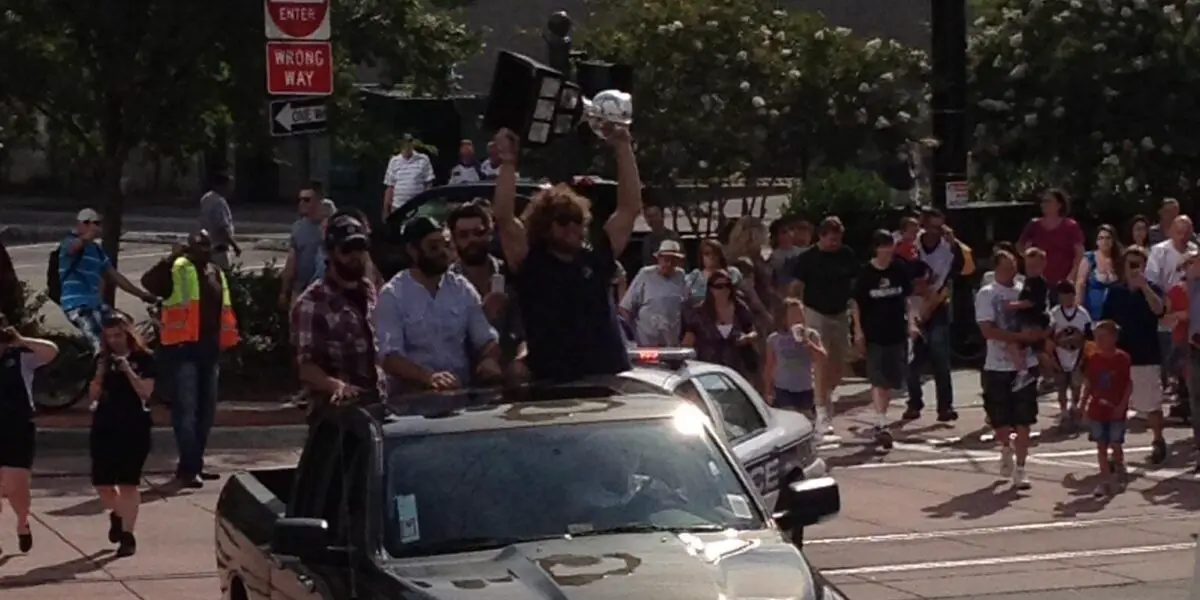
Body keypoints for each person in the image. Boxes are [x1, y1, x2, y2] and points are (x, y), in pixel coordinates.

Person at [493, 124, 641, 382]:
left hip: (607, 377)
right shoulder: (532, 261)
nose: (572, 226)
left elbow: (629, 209)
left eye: (576, 219)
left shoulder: (596, 256)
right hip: (552, 385)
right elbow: (504, 218)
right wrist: (508, 162)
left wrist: (623, 147)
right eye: (562, 220)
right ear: (544, 226)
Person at [141, 231, 240, 488]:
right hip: (182, 350)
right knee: (186, 410)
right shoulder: (178, 268)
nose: (203, 251)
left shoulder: (215, 272)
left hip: (209, 350)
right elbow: (149, 282)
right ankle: (188, 469)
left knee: (206, 412)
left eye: (206, 246)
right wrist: (170, 257)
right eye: (198, 246)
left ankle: (194, 463)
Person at [374, 217, 502, 392]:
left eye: (446, 245)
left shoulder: (461, 288)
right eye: (433, 247)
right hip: (412, 402)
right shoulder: (393, 294)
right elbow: (389, 357)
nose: (443, 252)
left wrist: (489, 359)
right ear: (412, 250)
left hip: (460, 393)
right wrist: (428, 377)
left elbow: (486, 338)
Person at [291, 212, 386, 424]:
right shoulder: (312, 302)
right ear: (330, 253)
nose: (355, 256)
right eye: (347, 250)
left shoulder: (369, 290)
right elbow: (307, 368)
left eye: (360, 248)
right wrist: (337, 387)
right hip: (335, 416)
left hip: (376, 406)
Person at [87, 313, 154, 557]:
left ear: (128, 333)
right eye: (109, 336)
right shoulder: (101, 359)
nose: (114, 340)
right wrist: (100, 373)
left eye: (118, 335)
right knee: (103, 484)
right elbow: (92, 396)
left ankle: (128, 535)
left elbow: (145, 393)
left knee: (128, 483)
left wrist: (128, 370)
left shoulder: (144, 359)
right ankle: (117, 514)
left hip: (134, 425)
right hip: (105, 424)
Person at [976, 250, 1042, 490]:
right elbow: (987, 330)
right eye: (1006, 267)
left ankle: (1021, 468)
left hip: (1026, 364)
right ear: (996, 269)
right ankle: (1006, 448)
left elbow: (1039, 313)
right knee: (1000, 421)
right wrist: (1016, 337)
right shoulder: (987, 294)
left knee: (1024, 420)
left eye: (1014, 265)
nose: (1011, 271)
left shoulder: (1025, 288)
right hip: (997, 365)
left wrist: (1034, 336)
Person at [789, 216, 859, 439]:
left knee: (838, 366)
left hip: (839, 313)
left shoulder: (846, 254)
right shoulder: (807, 258)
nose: (834, 243)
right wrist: (795, 316)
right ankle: (821, 413)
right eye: (831, 239)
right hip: (815, 312)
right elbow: (795, 287)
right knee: (821, 362)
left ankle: (824, 396)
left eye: (838, 239)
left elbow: (855, 283)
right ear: (821, 236)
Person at [1100, 245, 1168, 464]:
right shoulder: (1115, 291)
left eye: (1138, 264)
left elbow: (1159, 310)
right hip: (1118, 355)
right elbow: (1105, 321)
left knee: (1151, 403)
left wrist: (1144, 287)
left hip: (1145, 354)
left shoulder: (1152, 288)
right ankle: (1115, 450)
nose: (1134, 268)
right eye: (1130, 264)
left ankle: (1158, 441)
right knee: (1116, 404)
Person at [447, 202, 528, 380]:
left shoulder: (509, 273)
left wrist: (521, 359)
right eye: (463, 235)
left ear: (490, 234)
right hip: (464, 379)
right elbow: (446, 342)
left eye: (479, 232)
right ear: (453, 240)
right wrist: (482, 315)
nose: (472, 240)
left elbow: (526, 330)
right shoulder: (447, 284)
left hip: (510, 378)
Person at [58, 209, 158, 352]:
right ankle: (99, 371)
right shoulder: (69, 241)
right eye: (93, 223)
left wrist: (142, 295)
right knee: (99, 343)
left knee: (125, 325)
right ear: (82, 224)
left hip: (96, 304)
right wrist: (88, 234)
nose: (97, 228)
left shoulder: (96, 250)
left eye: (98, 224)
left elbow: (115, 276)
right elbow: (73, 249)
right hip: (77, 305)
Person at [851, 230, 916, 450]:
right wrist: (858, 331)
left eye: (890, 247)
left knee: (890, 381)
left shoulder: (899, 269)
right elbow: (857, 303)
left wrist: (911, 323)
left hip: (896, 331)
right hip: (874, 333)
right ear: (876, 248)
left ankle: (882, 416)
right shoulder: (865, 274)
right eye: (884, 247)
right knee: (878, 379)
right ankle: (881, 421)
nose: (888, 251)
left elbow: (907, 299)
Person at [0, 321, 59, 553]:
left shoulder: (21, 357)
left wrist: (21, 340)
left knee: (15, 485)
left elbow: (51, 351)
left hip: (17, 426)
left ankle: (23, 522)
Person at [905, 208, 963, 421]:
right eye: (932, 226)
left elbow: (956, 272)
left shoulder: (949, 247)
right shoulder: (912, 245)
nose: (936, 231)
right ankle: (913, 402)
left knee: (940, 356)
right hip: (914, 305)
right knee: (913, 360)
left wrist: (954, 243)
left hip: (939, 304)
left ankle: (945, 407)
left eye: (940, 227)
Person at [1145, 215, 1197, 398]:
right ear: (1170, 232)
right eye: (1179, 232)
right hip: (1167, 310)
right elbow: (1152, 281)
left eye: (1187, 232)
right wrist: (1165, 310)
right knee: (1170, 357)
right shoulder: (1159, 251)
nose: (1183, 236)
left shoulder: (1195, 251)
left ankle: (1184, 397)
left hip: (1191, 311)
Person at [1080, 320, 1132, 497]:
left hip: (1115, 409)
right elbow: (1089, 383)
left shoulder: (1122, 358)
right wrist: (1083, 405)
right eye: (1097, 337)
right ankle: (1104, 480)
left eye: (1103, 337)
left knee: (1116, 444)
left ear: (1114, 337)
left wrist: (1122, 406)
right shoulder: (1094, 359)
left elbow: (1127, 385)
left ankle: (1118, 471)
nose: (1099, 341)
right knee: (1101, 446)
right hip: (1097, 409)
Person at [682, 270, 758, 377]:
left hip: (737, 371)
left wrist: (746, 338)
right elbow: (688, 342)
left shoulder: (740, 308)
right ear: (710, 288)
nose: (724, 290)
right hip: (708, 370)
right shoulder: (699, 312)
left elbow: (753, 331)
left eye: (727, 286)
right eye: (719, 286)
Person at [764, 297, 825, 419]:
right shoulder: (774, 339)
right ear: (784, 318)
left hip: (805, 389)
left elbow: (822, 357)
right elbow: (769, 367)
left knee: (807, 422)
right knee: (790, 420)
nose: (797, 318)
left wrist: (808, 344)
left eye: (800, 314)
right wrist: (768, 391)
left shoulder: (812, 335)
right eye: (793, 314)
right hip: (783, 390)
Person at [620, 240, 687, 347]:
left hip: (671, 343)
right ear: (658, 259)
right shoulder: (645, 274)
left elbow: (686, 307)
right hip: (644, 342)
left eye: (673, 261)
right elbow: (626, 308)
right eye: (666, 260)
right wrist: (631, 336)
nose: (669, 264)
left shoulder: (681, 276)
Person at [1045, 281, 1091, 430]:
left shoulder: (1082, 314)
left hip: (1077, 356)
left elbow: (1088, 337)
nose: (1067, 299)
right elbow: (1049, 336)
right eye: (1064, 296)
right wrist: (1050, 355)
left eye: (1070, 296)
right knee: (1061, 386)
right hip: (1059, 355)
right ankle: (1064, 412)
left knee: (1076, 385)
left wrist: (1086, 355)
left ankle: (1074, 407)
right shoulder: (1054, 314)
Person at [1018, 188, 1084, 287]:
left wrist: (1072, 276)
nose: (1044, 204)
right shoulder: (1034, 225)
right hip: (1038, 282)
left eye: (1048, 201)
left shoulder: (1070, 226)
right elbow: (1020, 247)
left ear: (1059, 205)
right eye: (1043, 201)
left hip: (1063, 281)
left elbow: (1079, 254)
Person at [279, 183, 329, 308]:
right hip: (300, 289)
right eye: (300, 200)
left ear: (319, 201)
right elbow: (292, 260)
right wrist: (284, 291)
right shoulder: (298, 227)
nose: (302, 203)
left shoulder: (331, 225)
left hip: (324, 290)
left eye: (307, 200)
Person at [1006, 247, 1049, 389]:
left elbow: (1030, 302)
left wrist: (1012, 305)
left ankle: (1026, 373)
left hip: (1030, 320)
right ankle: (1037, 374)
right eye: (1028, 265)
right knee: (1035, 349)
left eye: (1034, 266)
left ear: (1043, 265)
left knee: (1012, 342)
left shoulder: (1038, 282)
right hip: (1028, 320)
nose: (1031, 269)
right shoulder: (1028, 280)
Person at [381, 134, 436, 220]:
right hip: (398, 206)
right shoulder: (394, 161)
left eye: (409, 142)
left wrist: (426, 206)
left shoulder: (423, 159)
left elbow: (428, 184)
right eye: (405, 142)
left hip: (418, 208)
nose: (407, 145)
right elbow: (390, 187)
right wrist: (386, 210)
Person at [1075, 224, 1121, 319]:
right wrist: (1078, 308)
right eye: (1101, 238)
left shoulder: (1119, 260)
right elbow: (1080, 283)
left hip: (1116, 311)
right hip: (1093, 311)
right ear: (1097, 241)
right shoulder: (1089, 258)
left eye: (1108, 238)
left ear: (1113, 241)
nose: (1105, 241)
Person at [198, 173, 242, 271]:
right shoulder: (219, 202)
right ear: (222, 185)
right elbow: (222, 228)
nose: (231, 188)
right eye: (229, 185)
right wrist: (235, 246)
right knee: (224, 276)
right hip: (220, 248)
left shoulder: (206, 198)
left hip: (208, 246)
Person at [769, 217, 808, 290]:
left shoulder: (800, 251)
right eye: (784, 232)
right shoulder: (775, 256)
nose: (789, 233)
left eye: (790, 229)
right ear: (777, 236)